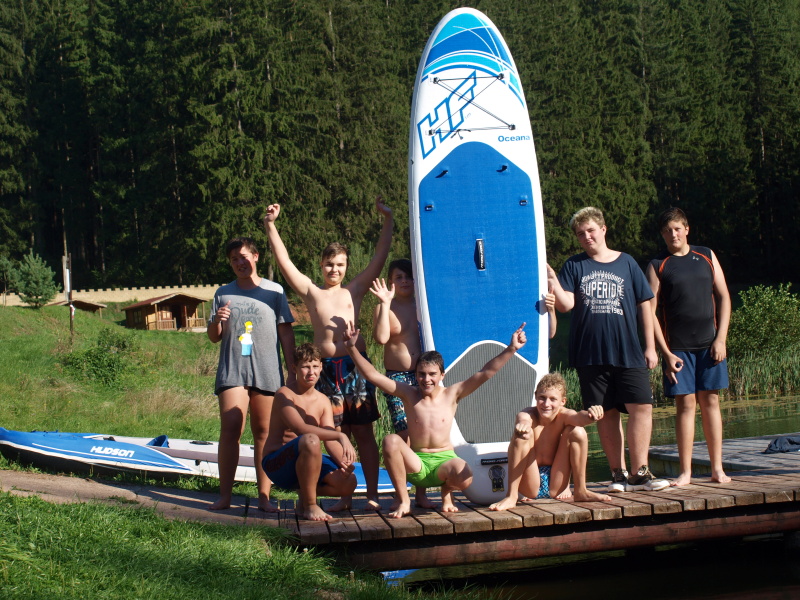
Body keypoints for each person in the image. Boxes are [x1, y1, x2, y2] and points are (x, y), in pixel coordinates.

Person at [263, 198, 393, 511]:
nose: (334, 269)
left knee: (363, 432)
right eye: (329, 264)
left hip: (354, 368)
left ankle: (372, 494)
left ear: (347, 267)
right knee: (336, 432)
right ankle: (345, 496)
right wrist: (270, 226)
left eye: (340, 265)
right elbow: (285, 263)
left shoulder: (354, 290)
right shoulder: (312, 292)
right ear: (321, 265)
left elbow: (379, 256)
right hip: (324, 371)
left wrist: (388, 220)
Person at [344, 322, 527, 518]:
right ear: (416, 375)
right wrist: (351, 348)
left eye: (432, 374)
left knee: (465, 476)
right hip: (417, 464)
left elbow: (486, 373)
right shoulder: (408, 394)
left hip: (444, 461)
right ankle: (405, 500)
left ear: (442, 375)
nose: (426, 379)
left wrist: (511, 349)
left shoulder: (452, 394)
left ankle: (446, 492)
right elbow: (373, 375)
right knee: (391, 440)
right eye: (421, 374)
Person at [549, 206, 669, 492]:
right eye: (580, 234)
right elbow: (566, 305)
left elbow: (645, 306)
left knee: (642, 406)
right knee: (605, 412)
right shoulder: (574, 265)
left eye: (590, 230)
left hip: (628, 350)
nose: (586, 237)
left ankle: (640, 473)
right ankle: (618, 474)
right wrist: (553, 281)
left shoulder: (627, 262)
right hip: (589, 354)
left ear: (603, 229)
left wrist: (650, 347)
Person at [207, 237, 296, 511]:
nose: (239, 263)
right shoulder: (223, 293)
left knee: (264, 433)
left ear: (255, 256)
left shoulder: (274, 291)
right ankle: (225, 496)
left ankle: (264, 498)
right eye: (234, 259)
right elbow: (214, 336)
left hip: (267, 370)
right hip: (233, 370)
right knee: (231, 426)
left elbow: (285, 332)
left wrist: (292, 370)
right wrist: (216, 321)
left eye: (244, 257)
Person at [646, 207, 732, 486]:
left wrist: (721, 339)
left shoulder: (706, 255)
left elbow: (724, 297)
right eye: (667, 231)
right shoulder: (658, 264)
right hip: (678, 349)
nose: (673, 234)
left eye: (677, 229)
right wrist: (665, 353)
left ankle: (717, 469)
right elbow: (650, 312)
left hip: (710, 345)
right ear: (662, 234)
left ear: (686, 229)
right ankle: (685, 472)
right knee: (685, 404)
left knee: (711, 402)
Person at [262, 343, 357, 521]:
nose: (311, 372)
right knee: (310, 439)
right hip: (277, 464)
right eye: (305, 367)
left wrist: (344, 463)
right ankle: (311, 505)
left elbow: (329, 439)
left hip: (307, 461)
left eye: (315, 366)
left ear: (321, 367)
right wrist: (341, 435)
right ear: (294, 368)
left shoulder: (323, 400)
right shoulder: (284, 394)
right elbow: (300, 429)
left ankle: (304, 497)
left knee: (349, 483)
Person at [489, 373, 611, 510]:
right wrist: (523, 426)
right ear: (535, 396)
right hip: (530, 485)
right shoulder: (528, 414)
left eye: (553, 399)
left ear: (562, 401)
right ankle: (511, 496)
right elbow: (523, 419)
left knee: (577, 431)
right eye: (542, 398)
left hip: (556, 484)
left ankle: (581, 491)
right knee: (522, 436)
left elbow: (578, 418)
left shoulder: (564, 415)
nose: (546, 404)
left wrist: (590, 415)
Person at [370, 262, 434, 509]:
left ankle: (421, 494)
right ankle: (401, 494)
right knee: (404, 434)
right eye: (399, 277)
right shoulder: (384, 307)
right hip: (397, 378)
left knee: (421, 434)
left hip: (423, 377)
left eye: (409, 276)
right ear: (390, 282)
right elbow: (381, 338)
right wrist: (385, 303)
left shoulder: (423, 304)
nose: (405, 281)